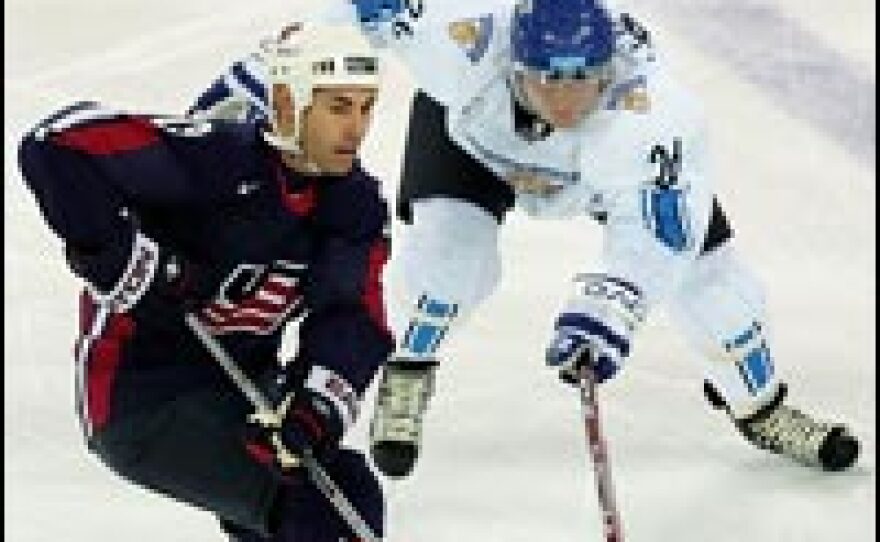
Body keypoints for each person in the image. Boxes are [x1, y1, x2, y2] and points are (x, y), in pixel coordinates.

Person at [193, 0, 860, 479]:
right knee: (447, 269)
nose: (568, 102)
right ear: (515, 63)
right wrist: (269, 75)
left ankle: (761, 407)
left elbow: (662, 232)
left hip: (594, 178)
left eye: (585, 82)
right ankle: (411, 370)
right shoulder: (464, 35)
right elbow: (355, 13)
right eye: (549, 80)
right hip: (473, 145)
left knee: (719, 295)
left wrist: (613, 305)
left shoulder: (651, 118)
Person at [17, 22, 392, 541]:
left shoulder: (352, 208)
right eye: (337, 107)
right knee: (313, 511)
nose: (356, 129)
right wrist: (127, 263)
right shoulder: (215, 161)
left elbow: (352, 319)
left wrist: (314, 408)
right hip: (140, 398)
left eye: (364, 107)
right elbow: (54, 146)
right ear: (287, 104)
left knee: (343, 489)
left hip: (244, 387)